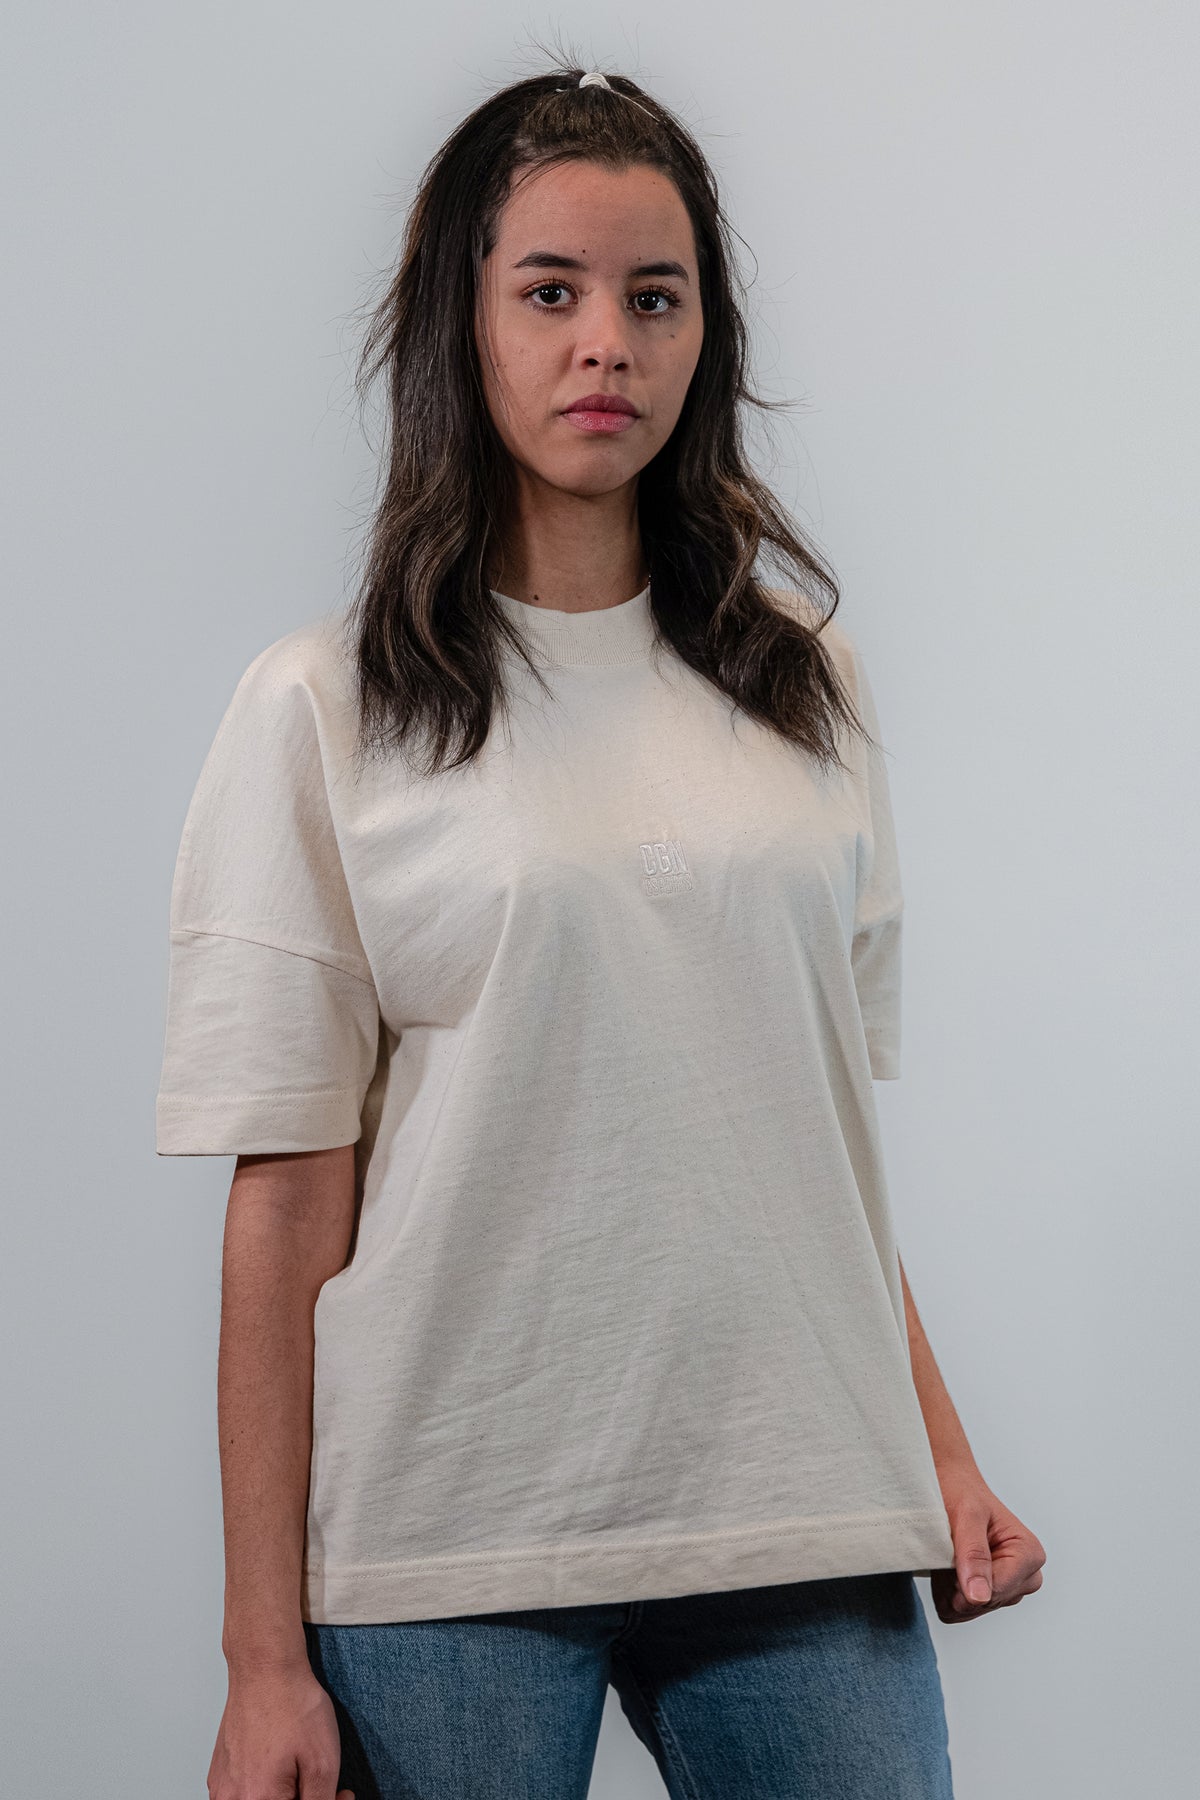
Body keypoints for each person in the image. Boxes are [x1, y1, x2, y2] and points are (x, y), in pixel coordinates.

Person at [155, 59, 1046, 1800]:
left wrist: (934, 1455)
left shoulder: (804, 686)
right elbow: (286, 1199)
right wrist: (263, 1657)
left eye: (655, 297)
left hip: (802, 1511)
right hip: (450, 1541)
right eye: (549, 292)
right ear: (462, 321)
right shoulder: (327, 706)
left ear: (706, 333)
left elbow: (808, 1148)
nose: (606, 346)